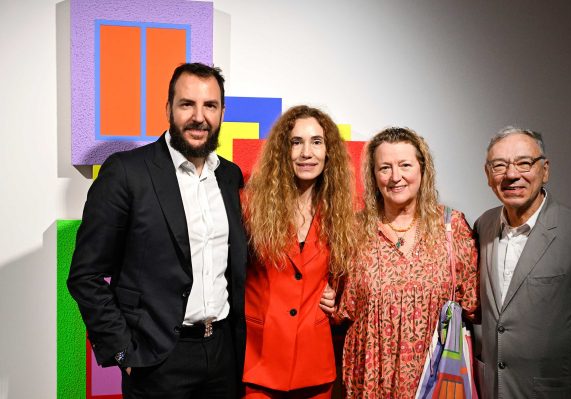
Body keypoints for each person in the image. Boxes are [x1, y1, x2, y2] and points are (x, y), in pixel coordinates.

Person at [67, 63, 247, 398]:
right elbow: (85, 275)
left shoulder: (230, 177)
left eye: (210, 105)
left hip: (224, 355)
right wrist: (123, 352)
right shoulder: (126, 172)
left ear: (222, 112)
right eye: (186, 104)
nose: (199, 117)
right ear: (168, 109)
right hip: (158, 360)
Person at [475, 126, 571, 398]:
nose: (511, 174)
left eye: (524, 163)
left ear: (545, 170)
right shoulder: (483, 225)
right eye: (499, 165)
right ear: (487, 175)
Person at [335, 127, 479, 398]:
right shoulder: (354, 230)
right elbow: (339, 307)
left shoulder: (451, 226)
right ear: (373, 175)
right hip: (370, 379)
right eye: (385, 168)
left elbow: (473, 304)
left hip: (435, 377)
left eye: (405, 165)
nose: (395, 177)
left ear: (422, 170)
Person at [242, 105, 358, 398]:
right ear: (283, 150)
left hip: (315, 365)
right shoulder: (249, 205)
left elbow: (353, 281)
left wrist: (336, 296)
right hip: (258, 361)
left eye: (316, 142)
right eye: (297, 142)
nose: (307, 152)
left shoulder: (343, 213)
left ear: (328, 151)